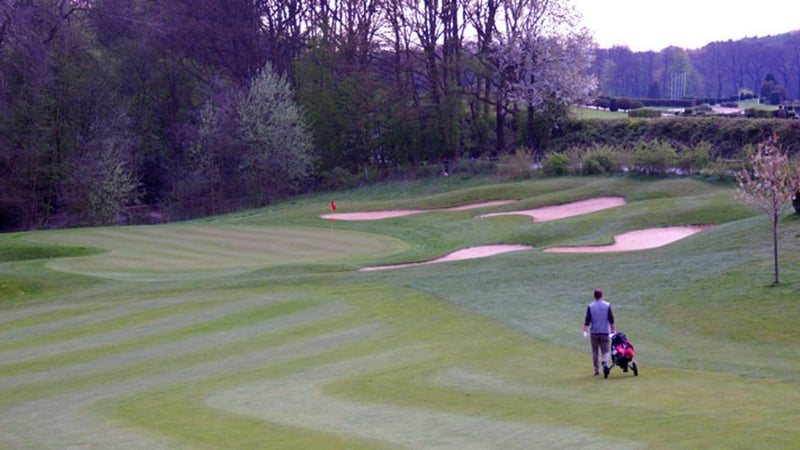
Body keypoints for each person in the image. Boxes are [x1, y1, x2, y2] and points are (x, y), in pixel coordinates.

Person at [583, 289, 615, 377]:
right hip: (604, 331)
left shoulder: (591, 306)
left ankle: (596, 369)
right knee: (605, 351)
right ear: (602, 295)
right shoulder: (607, 305)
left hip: (594, 332)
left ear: (594, 296)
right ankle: (605, 362)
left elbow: (587, 320)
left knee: (595, 351)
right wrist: (612, 330)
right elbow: (611, 319)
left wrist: (585, 331)